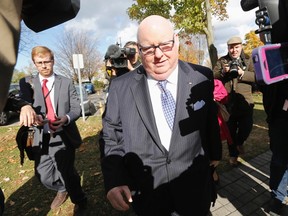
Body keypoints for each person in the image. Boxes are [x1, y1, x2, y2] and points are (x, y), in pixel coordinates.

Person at [100, 15, 222, 216]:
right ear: (139, 50)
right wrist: (114, 179)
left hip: (195, 189)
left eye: (165, 45)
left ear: (176, 41)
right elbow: (111, 135)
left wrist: (215, 154)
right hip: (149, 196)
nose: (158, 55)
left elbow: (209, 119)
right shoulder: (120, 87)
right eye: (149, 48)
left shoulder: (202, 76)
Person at [19, 46, 87, 215]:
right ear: (34, 64)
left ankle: (80, 200)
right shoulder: (27, 82)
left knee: (66, 171)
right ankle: (63, 187)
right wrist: (27, 109)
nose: (44, 66)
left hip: (62, 134)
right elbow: (22, 101)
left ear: (53, 61)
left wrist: (66, 119)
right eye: (39, 63)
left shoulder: (66, 81)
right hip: (37, 136)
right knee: (43, 175)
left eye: (47, 61)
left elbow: (76, 108)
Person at [241, 1, 288, 215]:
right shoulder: (267, 53)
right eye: (261, 30)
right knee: (279, 158)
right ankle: (276, 196)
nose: (262, 34)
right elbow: (262, 83)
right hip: (276, 115)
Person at [213, 36, 255, 166]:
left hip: (245, 101)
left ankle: (240, 143)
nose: (234, 50)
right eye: (231, 47)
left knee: (246, 128)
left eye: (236, 47)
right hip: (227, 103)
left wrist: (243, 73)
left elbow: (257, 77)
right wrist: (223, 72)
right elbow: (213, 75)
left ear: (241, 46)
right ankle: (233, 156)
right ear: (228, 48)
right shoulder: (222, 61)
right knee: (230, 132)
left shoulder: (249, 60)